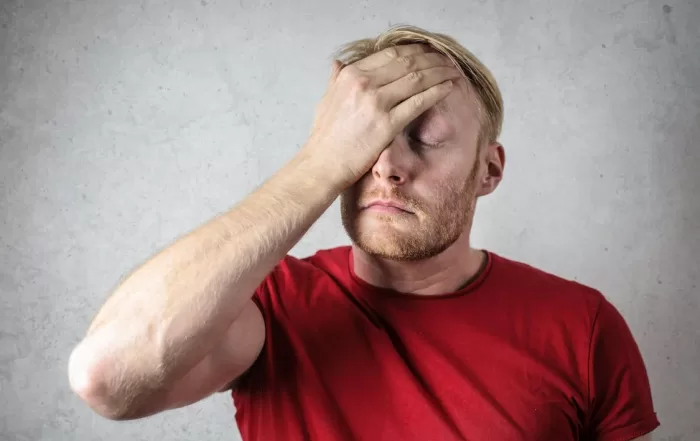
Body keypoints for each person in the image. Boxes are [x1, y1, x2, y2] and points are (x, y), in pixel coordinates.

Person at [68, 25, 660, 440]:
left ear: (490, 170)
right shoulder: (269, 308)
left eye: (425, 136)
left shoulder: (582, 326)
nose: (387, 166)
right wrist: (319, 164)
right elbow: (105, 379)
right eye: (365, 140)